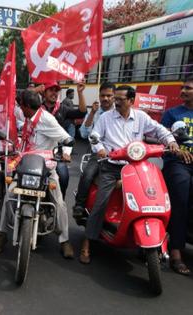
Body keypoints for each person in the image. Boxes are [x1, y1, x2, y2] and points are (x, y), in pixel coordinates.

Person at [79, 85, 179, 264]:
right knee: (101, 202)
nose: (115, 102)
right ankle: (87, 242)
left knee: (151, 197)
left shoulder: (141, 117)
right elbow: (94, 135)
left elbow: (159, 130)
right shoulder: (106, 118)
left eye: (120, 99)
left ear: (131, 101)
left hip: (136, 166)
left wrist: (170, 141)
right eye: (115, 99)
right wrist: (100, 149)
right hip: (111, 166)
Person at [0, 89, 74, 258]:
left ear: (27, 106)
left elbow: (66, 138)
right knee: (9, 197)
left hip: (45, 169)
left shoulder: (47, 119)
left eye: (21, 106)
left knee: (59, 202)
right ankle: (2, 235)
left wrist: (65, 153)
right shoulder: (29, 118)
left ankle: (64, 240)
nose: (20, 110)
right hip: (25, 165)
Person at [161, 76, 193, 275]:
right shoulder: (172, 113)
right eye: (182, 88)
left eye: (188, 88)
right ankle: (176, 251)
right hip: (178, 163)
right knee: (181, 196)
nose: (183, 90)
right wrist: (176, 150)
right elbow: (163, 136)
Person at [73, 82, 116, 218]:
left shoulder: (120, 112)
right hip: (98, 154)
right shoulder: (96, 112)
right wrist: (92, 113)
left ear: (114, 97)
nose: (106, 99)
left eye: (109, 95)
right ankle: (79, 204)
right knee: (88, 174)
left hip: (119, 156)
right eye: (103, 95)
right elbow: (84, 134)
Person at [42, 81, 87, 198]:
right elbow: (22, 100)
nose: (54, 93)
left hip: (56, 153)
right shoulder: (37, 107)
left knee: (64, 176)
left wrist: (80, 93)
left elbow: (82, 113)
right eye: (51, 90)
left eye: (56, 90)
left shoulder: (63, 109)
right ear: (44, 92)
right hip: (37, 150)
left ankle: (58, 202)